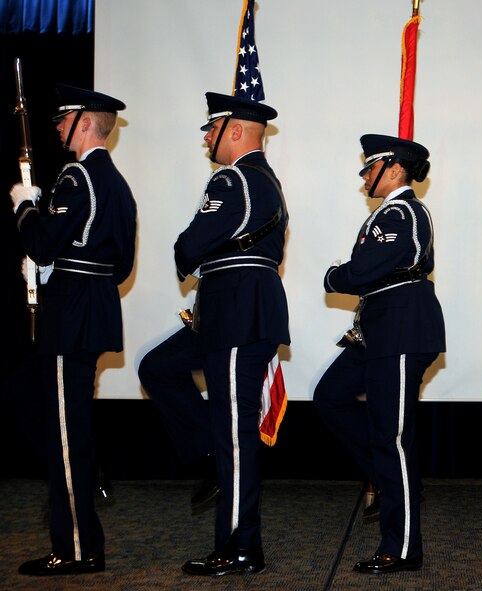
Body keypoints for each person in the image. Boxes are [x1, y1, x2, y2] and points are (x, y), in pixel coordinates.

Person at [138, 92, 289, 576]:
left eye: (213, 127)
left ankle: (242, 546)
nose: (206, 136)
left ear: (237, 131)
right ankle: (209, 453)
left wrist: (188, 247)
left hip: (236, 312)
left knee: (237, 435)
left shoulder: (234, 178)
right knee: (158, 368)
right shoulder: (264, 180)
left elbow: (189, 247)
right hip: (233, 309)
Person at [9, 84, 137, 576]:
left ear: (86, 122)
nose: (58, 126)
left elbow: (42, 242)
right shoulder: (116, 183)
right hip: (94, 308)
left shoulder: (76, 177)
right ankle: (87, 488)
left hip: (71, 317)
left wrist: (24, 207)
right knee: (43, 409)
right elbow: (120, 264)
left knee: (67, 435)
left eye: (65, 119)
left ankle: (79, 547)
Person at [313, 134, 445, 574]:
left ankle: (403, 548)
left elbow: (363, 270)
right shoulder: (391, 213)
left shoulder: (402, 211)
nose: (365, 176)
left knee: (394, 438)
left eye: (371, 167)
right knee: (331, 396)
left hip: (402, 330)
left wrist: (335, 275)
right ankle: (395, 480)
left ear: (395, 168)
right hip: (382, 330)